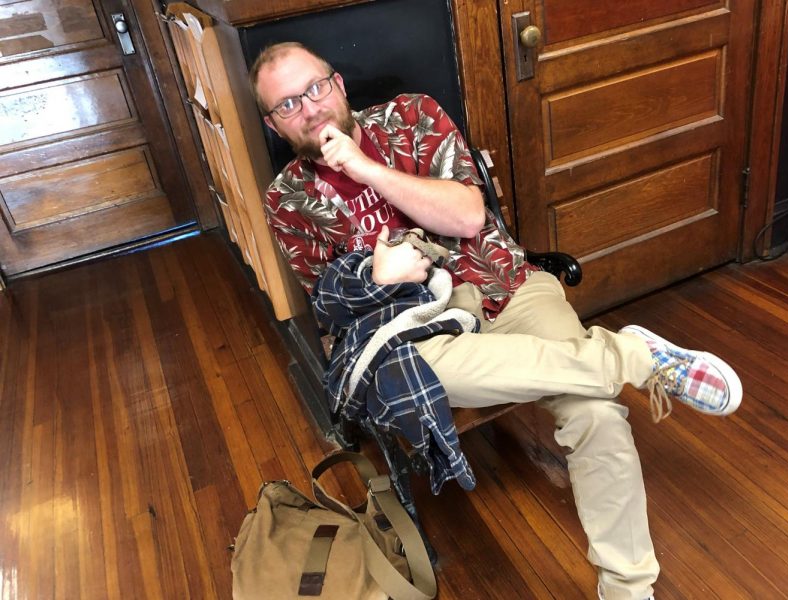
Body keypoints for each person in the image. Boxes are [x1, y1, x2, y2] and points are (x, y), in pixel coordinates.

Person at [250, 42, 742, 600]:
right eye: (288, 105)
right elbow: (329, 305)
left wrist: (365, 169)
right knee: (417, 368)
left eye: (315, 89)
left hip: (505, 289)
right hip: (423, 332)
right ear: (273, 123)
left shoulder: (410, 117)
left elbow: (466, 215)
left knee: (596, 414)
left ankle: (628, 589)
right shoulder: (287, 198)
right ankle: (636, 357)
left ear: (337, 84)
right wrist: (378, 278)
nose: (310, 109)